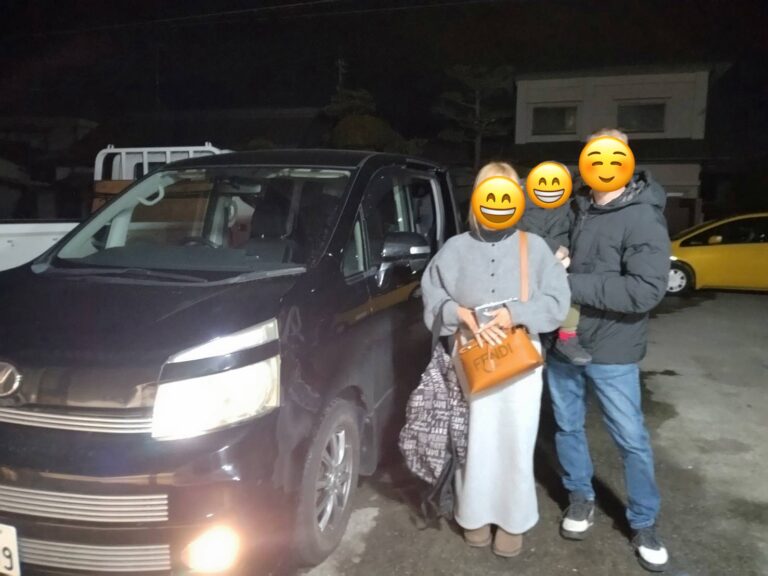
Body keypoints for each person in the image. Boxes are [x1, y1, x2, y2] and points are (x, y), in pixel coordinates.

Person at [421, 161, 570, 558]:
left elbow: (557, 301)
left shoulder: (533, 247)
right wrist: (458, 313)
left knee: (516, 439)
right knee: (474, 438)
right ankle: (473, 514)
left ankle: (512, 519)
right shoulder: (455, 248)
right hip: (469, 356)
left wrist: (515, 312)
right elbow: (432, 295)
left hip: (519, 359)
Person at [547, 129, 672, 572]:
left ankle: (644, 521)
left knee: (630, 439)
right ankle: (580, 497)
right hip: (564, 343)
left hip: (614, 347)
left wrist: (570, 282)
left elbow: (645, 291)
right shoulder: (576, 206)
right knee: (567, 426)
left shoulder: (642, 217)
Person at [519, 162, 592, 366]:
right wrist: (553, 249)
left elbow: (570, 232)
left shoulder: (568, 207)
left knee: (569, 288)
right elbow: (518, 233)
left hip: (559, 265)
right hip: (528, 266)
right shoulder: (521, 205)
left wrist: (566, 252)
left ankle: (566, 337)